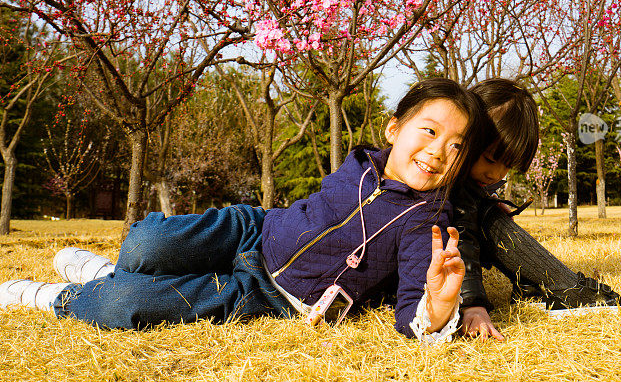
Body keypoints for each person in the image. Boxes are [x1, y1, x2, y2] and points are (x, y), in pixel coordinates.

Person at [0, 78, 492, 343]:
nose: (439, 151)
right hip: (255, 229)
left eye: (456, 146)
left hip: (270, 294)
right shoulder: (359, 162)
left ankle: (67, 296)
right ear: (393, 130)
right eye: (429, 131)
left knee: (121, 306)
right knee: (150, 242)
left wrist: (440, 306)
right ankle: (112, 267)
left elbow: (412, 316)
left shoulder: (427, 224)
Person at [453, 78, 621, 341]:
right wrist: (473, 304)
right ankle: (565, 287)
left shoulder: (469, 184)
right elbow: (462, 238)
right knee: (490, 218)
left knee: (491, 213)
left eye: (508, 166)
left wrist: (483, 199)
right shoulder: (448, 183)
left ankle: (541, 285)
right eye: (490, 159)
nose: (496, 174)